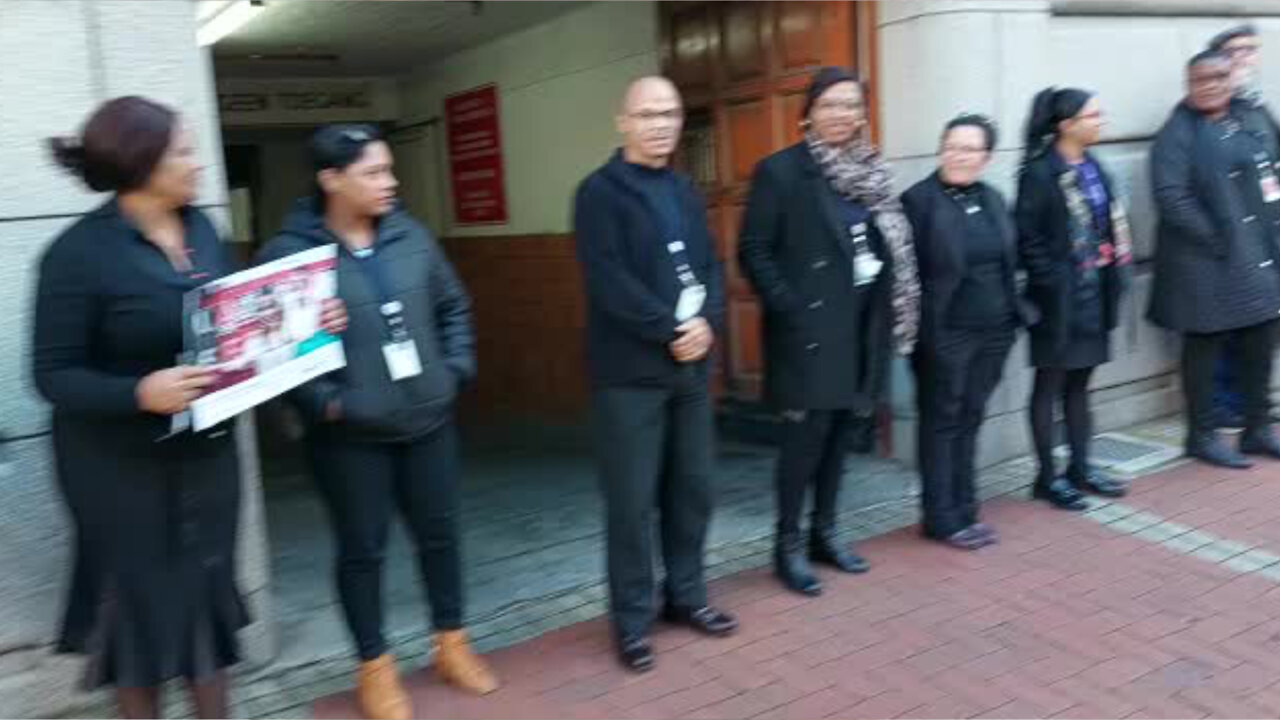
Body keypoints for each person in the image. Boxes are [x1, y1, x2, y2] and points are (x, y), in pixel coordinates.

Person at [32, 96, 344, 719]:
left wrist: (309, 324)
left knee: (205, 594)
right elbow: (52, 377)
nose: (198, 163)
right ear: (140, 162)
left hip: (206, 454)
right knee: (137, 615)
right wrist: (137, 392)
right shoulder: (76, 254)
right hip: (116, 471)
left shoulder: (203, 229)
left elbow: (235, 328)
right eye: (183, 151)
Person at [258, 124, 496, 720]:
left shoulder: (411, 236)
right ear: (331, 180)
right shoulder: (288, 258)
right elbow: (267, 355)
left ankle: (452, 644)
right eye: (374, 173)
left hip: (428, 422)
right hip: (348, 437)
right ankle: (375, 668)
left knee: (440, 536)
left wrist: (456, 370)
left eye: (390, 170)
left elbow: (453, 306)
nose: (390, 183)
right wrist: (326, 404)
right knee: (362, 551)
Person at [573, 76, 737, 673]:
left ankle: (686, 597)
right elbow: (609, 280)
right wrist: (671, 329)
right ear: (622, 121)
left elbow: (711, 267)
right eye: (647, 114)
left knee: (691, 489)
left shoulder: (684, 190)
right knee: (631, 503)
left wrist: (709, 323)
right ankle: (632, 620)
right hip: (629, 376)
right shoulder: (598, 193)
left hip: (690, 371)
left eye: (669, 113)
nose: (661, 124)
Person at [738, 66, 919, 594]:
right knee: (804, 443)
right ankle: (787, 545)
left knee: (842, 437)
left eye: (851, 105)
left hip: (861, 326)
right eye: (831, 104)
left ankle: (825, 532)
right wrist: (790, 307)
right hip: (809, 332)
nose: (842, 114)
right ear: (808, 113)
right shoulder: (781, 171)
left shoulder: (872, 173)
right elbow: (753, 249)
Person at [903, 114, 1029, 550]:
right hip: (944, 332)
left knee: (971, 417)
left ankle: (965, 506)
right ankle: (940, 516)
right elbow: (906, 277)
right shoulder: (918, 202)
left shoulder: (994, 198)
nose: (958, 155)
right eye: (951, 146)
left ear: (986, 157)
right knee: (942, 421)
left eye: (969, 149)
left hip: (995, 330)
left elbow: (1011, 259)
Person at [1149, 51, 1280, 469]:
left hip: (1254, 252)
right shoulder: (1177, 132)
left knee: (1262, 334)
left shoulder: (1246, 117)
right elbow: (1171, 197)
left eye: (1218, 77)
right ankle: (1200, 436)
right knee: (1203, 346)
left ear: (1230, 79)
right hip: (1201, 261)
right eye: (1199, 80)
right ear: (1188, 84)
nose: (1209, 86)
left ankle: (1257, 429)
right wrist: (1217, 237)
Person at [1017, 88, 1133, 510]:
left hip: (1095, 294)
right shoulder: (1039, 172)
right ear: (1066, 124)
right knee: (1049, 386)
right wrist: (1053, 282)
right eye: (1093, 115)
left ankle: (1080, 467)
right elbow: (1027, 239)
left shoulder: (1093, 166)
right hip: (1057, 302)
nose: (1101, 121)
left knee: (1081, 385)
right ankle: (1046, 478)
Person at [1206, 24, 1278, 429]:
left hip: (1265, 233)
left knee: (1259, 321)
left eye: (1251, 49)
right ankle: (1221, 403)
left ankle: (1251, 400)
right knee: (1226, 322)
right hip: (1231, 237)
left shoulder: (1255, 106)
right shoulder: (1212, 109)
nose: (1246, 57)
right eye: (1237, 50)